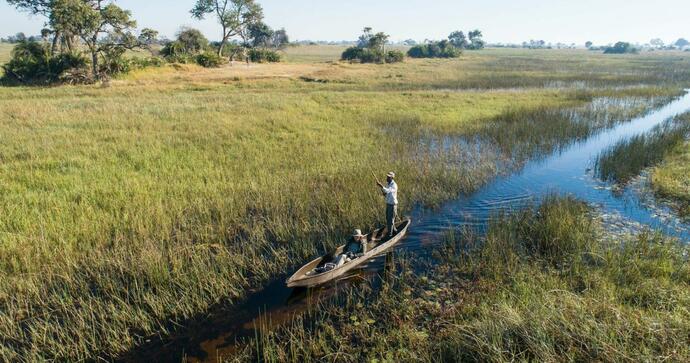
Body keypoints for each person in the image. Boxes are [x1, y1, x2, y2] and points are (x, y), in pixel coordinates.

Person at [376, 172, 398, 238]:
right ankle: (394, 230)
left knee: (390, 220)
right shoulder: (388, 184)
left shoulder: (394, 185)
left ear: (392, 178)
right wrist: (384, 193)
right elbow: (386, 193)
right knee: (388, 219)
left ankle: (390, 235)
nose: (387, 178)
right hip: (388, 204)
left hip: (393, 205)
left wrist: (381, 186)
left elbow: (388, 191)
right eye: (387, 177)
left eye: (388, 177)